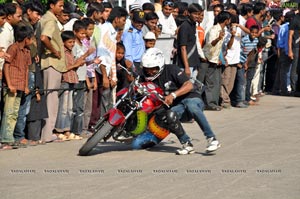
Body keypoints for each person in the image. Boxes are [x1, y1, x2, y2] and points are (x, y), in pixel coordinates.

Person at [132, 48, 221, 154]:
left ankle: (212, 139)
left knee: (190, 105)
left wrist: (173, 95)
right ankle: (187, 144)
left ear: (160, 65)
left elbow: (189, 85)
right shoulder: (144, 77)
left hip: (192, 99)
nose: (149, 71)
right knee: (137, 143)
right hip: (174, 109)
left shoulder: (171, 69)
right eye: (147, 69)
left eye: (153, 69)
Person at [14, 0, 44, 147]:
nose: (38, 17)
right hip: (26, 69)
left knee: (24, 106)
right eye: (37, 13)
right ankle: (19, 136)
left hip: (30, 68)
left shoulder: (30, 25)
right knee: (22, 106)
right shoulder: (23, 26)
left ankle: (19, 135)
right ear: (29, 11)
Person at [0, 26, 33, 150]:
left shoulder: (27, 51)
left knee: (15, 113)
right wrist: (9, 84)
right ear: (26, 39)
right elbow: (6, 67)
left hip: (20, 85)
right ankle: (5, 139)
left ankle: (10, 138)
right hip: (12, 85)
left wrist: (25, 86)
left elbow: (26, 69)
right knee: (8, 113)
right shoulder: (13, 48)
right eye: (31, 39)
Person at [40, 0, 66, 143]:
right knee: (52, 99)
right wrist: (55, 51)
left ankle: (46, 133)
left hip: (47, 63)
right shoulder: (50, 20)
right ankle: (47, 134)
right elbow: (44, 38)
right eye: (60, 5)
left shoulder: (44, 18)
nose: (62, 9)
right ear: (52, 5)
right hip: (52, 64)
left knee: (49, 97)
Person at [200, 11, 232, 111]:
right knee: (205, 82)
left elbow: (219, 49)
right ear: (226, 20)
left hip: (214, 60)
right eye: (229, 19)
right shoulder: (214, 30)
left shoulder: (222, 30)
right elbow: (210, 44)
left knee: (214, 82)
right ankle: (207, 103)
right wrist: (218, 38)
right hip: (207, 59)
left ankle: (212, 103)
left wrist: (220, 58)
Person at [177, 3, 203, 78]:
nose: (197, 16)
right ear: (188, 13)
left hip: (194, 63)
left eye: (199, 14)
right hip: (186, 64)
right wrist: (187, 67)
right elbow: (183, 48)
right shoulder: (185, 26)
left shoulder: (193, 24)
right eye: (195, 14)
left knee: (193, 87)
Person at [121, 11, 146, 75]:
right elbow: (127, 51)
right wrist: (131, 67)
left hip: (141, 63)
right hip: (133, 64)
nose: (140, 24)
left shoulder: (140, 32)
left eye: (142, 22)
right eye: (138, 22)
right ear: (132, 21)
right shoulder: (129, 33)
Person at [288, 5, 300, 95]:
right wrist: (290, 50)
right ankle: (294, 88)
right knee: (295, 69)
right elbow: (290, 35)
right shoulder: (295, 19)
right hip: (296, 47)